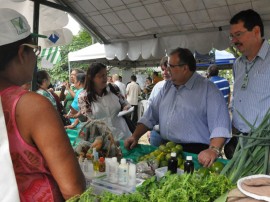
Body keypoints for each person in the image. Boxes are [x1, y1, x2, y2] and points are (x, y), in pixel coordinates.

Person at [0, 8, 85, 201]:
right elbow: (73, 189)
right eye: (34, 50)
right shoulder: (31, 106)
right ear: (22, 52)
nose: (36, 57)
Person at [124, 47, 231, 167]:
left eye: (171, 66)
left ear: (184, 68)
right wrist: (135, 136)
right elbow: (150, 115)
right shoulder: (167, 87)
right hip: (167, 150)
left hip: (195, 155)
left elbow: (220, 125)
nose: (166, 70)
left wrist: (213, 150)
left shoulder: (209, 90)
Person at [225, 9, 270, 159]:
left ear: (256, 31)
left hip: (264, 144)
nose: (234, 41)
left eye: (238, 34)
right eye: (232, 36)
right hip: (240, 141)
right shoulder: (237, 64)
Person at [75, 63, 132, 141]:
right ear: (91, 78)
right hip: (103, 140)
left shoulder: (113, 88)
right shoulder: (83, 97)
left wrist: (126, 107)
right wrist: (80, 116)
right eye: (100, 76)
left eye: (105, 75)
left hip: (124, 136)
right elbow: (88, 121)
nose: (105, 78)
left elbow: (125, 103)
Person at [148, 56, 171, 146]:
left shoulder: (179, 87)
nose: (164, 73)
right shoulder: (158, 86)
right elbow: (149, 107)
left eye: (167, 70)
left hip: (172, 135)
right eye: (163, 70)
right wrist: (149, 129)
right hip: (156, 132)